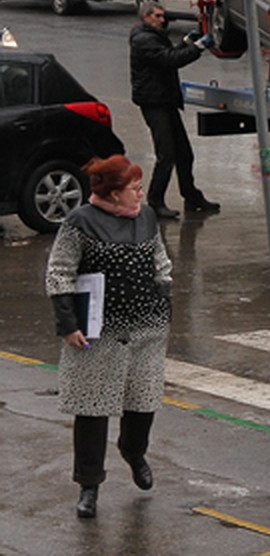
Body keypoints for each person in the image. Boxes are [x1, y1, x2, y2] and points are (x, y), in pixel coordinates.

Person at [45, 155, 172, 519]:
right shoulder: (79, 223)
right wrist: (69, 325)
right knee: (93, 412)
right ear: (114, 194)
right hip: (97, 335)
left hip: (146, 330)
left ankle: (134, 452)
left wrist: (164, 305)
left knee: (143, 404)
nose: (141, 194)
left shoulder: (146, 217)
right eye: (134, 189)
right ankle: (89, 486)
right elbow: (59, 274)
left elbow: (161, 264)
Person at [129, 0, 220, 219]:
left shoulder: (151, 35)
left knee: (184, 153)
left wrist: (186, 42)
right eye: (158, 16)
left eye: (163, 16)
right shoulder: (143, 40)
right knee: (167, 154)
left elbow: (168, 53)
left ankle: (191, 196)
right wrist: (197, 48)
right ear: (146, 17)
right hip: (155, 103)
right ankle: (155, 201)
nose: (163, 19)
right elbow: (170, 60)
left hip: (165, 101)